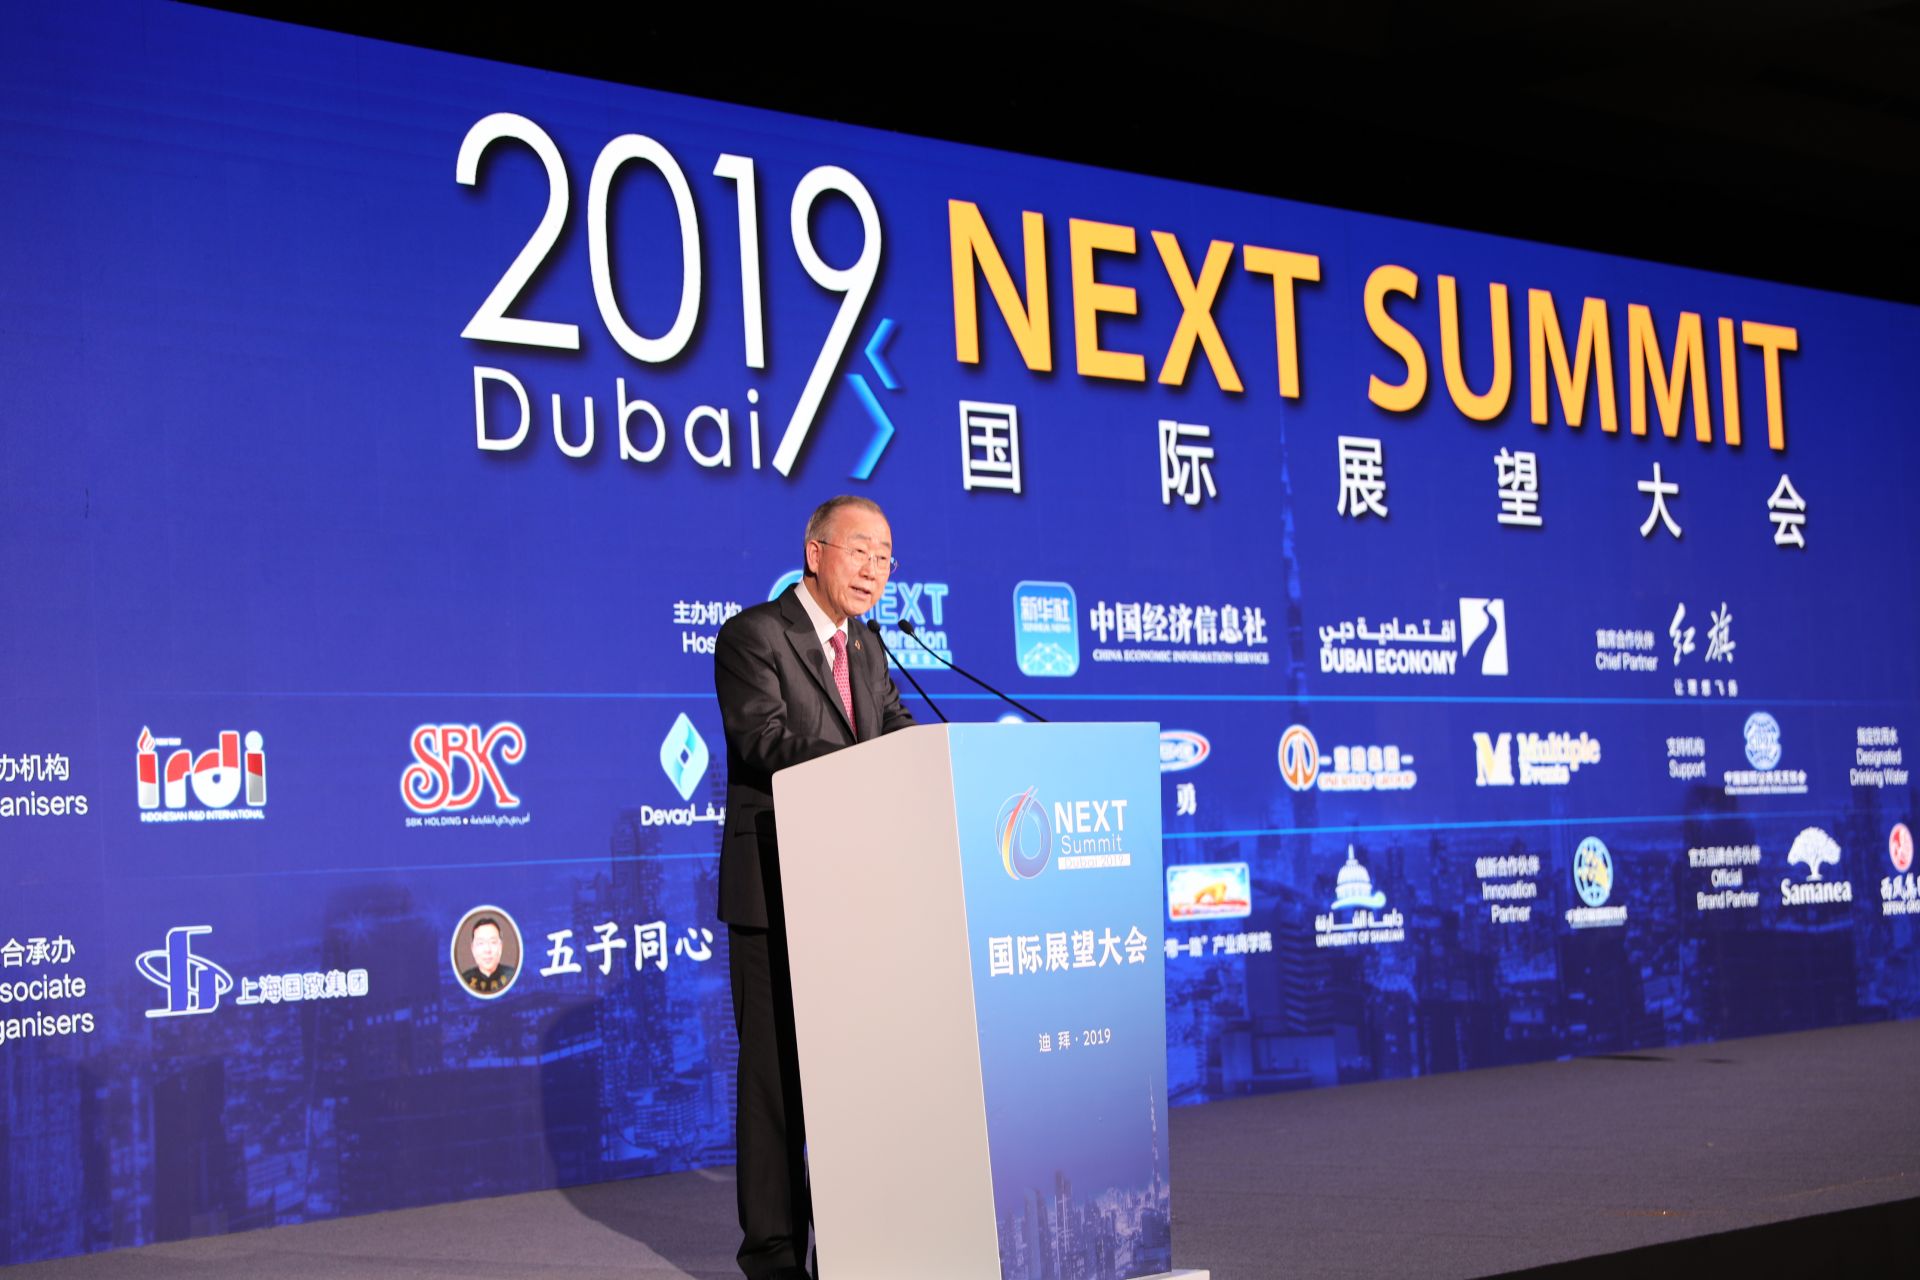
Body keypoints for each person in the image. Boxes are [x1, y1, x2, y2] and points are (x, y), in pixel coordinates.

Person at [713, 495, 915, 1280]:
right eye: (860, 551)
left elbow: (895, 728)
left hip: (853, 896)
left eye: (886, 557)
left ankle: (848, 1251)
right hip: (774, 892)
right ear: (815, 552)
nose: (874, 570)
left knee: (849, 1084)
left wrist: (937, 761)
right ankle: (771, 1258)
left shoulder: (867, 647)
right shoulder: (753, 635)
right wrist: (867, 764)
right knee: (776, 1086)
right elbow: (762, 739)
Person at [460, 917, 514, 995]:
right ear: (473, 949)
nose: (487, 950)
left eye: (493, 942)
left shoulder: (512, 976)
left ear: (500, 947)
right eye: (481, 943)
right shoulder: (464, 980)